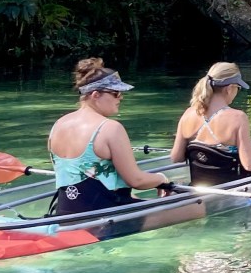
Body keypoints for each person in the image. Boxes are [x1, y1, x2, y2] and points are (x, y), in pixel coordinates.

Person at [48, 58, 172, 215]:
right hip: (104, 216)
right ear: (95, 95)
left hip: (65, 212)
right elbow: (136, 180)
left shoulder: (58, 125)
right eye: (115, 93)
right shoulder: (111, 128)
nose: (120, 97)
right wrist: (162, 179)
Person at [171, 62, 251, 185]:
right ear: (229, 88)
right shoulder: (238, 117)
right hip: (233, 190)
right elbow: (250, 164)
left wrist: (201, 154)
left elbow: (176, 157)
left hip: (198, 188)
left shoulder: (188, 114)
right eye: (238, 88)